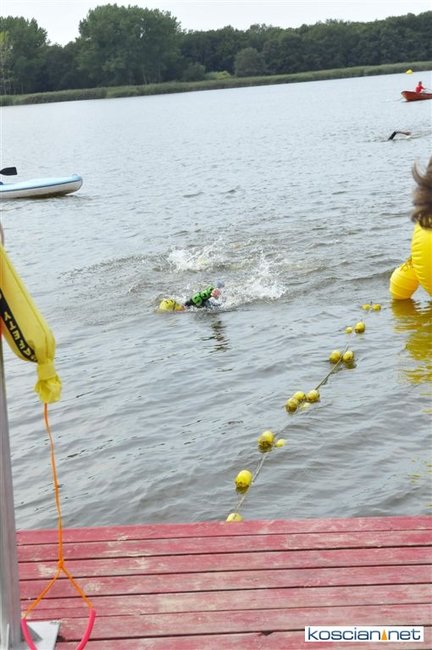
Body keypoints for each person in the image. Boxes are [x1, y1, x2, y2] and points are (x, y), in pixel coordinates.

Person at [158, 280, 224, 312]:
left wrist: (212, 291)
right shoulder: (188, 308)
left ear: (175, 310)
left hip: (219, 304)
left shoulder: (191, 303)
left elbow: (199, 296)